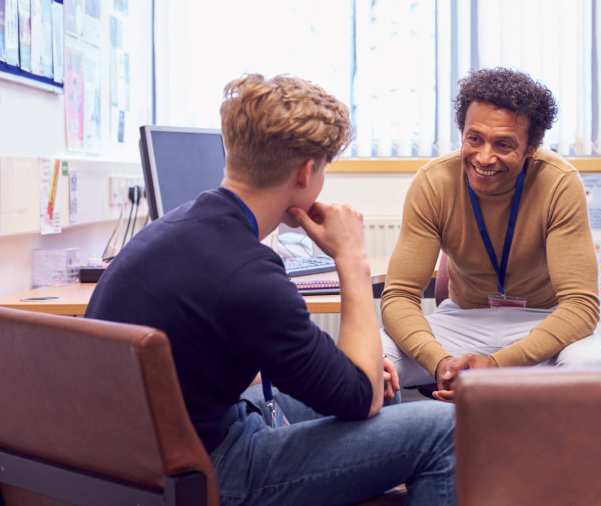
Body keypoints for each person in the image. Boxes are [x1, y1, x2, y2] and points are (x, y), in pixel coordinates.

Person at [86, 74, 456, 506]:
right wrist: (351, 259)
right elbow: (359, 399)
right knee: (446, 428)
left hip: (142, 458)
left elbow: (337, 378)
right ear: (306, 172)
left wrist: (363, 378)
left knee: (389, 398)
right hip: (207, 471)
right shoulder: (248, 275)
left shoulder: (176, 228)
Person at [381, 68, 601, 401]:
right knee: (372, 358)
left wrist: (498, 364)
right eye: (474, 138)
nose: (484, 157)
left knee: (592, 369)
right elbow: (399, 297)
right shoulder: (434, 183)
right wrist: (440, 363)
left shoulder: (559, 183)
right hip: (463, 321)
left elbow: (580, 306)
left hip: (543, 321)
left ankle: (557, 455)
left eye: (503, 144)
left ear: (531, 147)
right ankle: (407, 448)